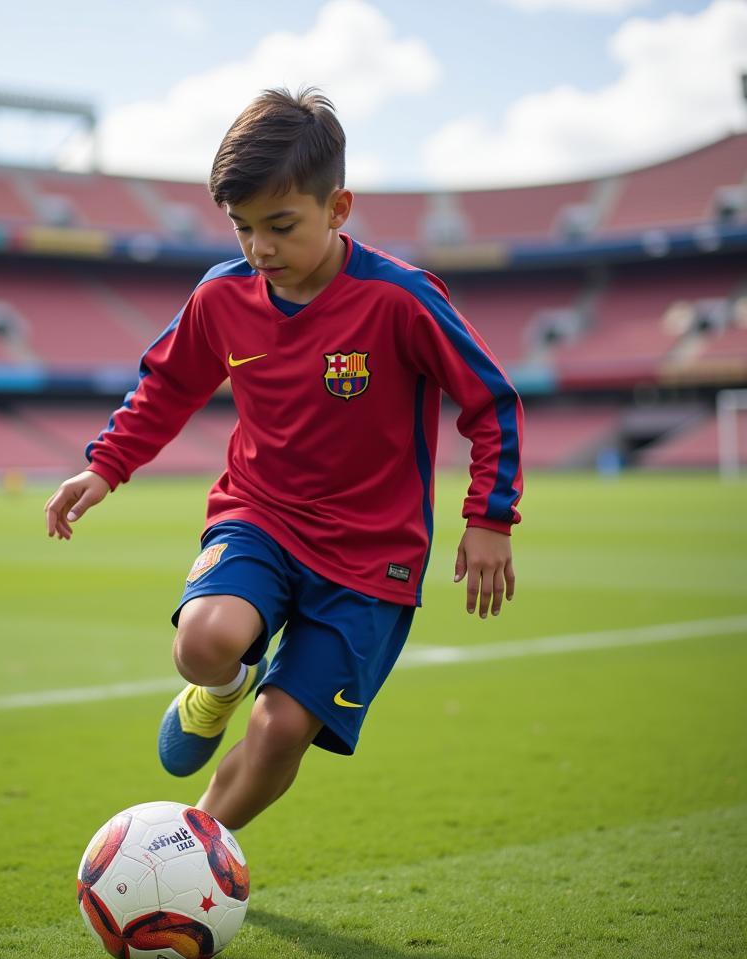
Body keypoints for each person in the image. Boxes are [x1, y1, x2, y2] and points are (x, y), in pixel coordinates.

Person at [45, 87, 523, 831]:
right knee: (203, 645)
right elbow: (168, 387)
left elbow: (490, 401)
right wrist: (104, 467)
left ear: (337, 209)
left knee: (278, 735)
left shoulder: (401, 300)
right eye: (241, 228)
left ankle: (192, 848)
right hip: (259, 517)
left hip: (371, 557)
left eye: (280, 225)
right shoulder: (221, 297)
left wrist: (489, 519)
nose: (259, 248)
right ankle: (221, 688)